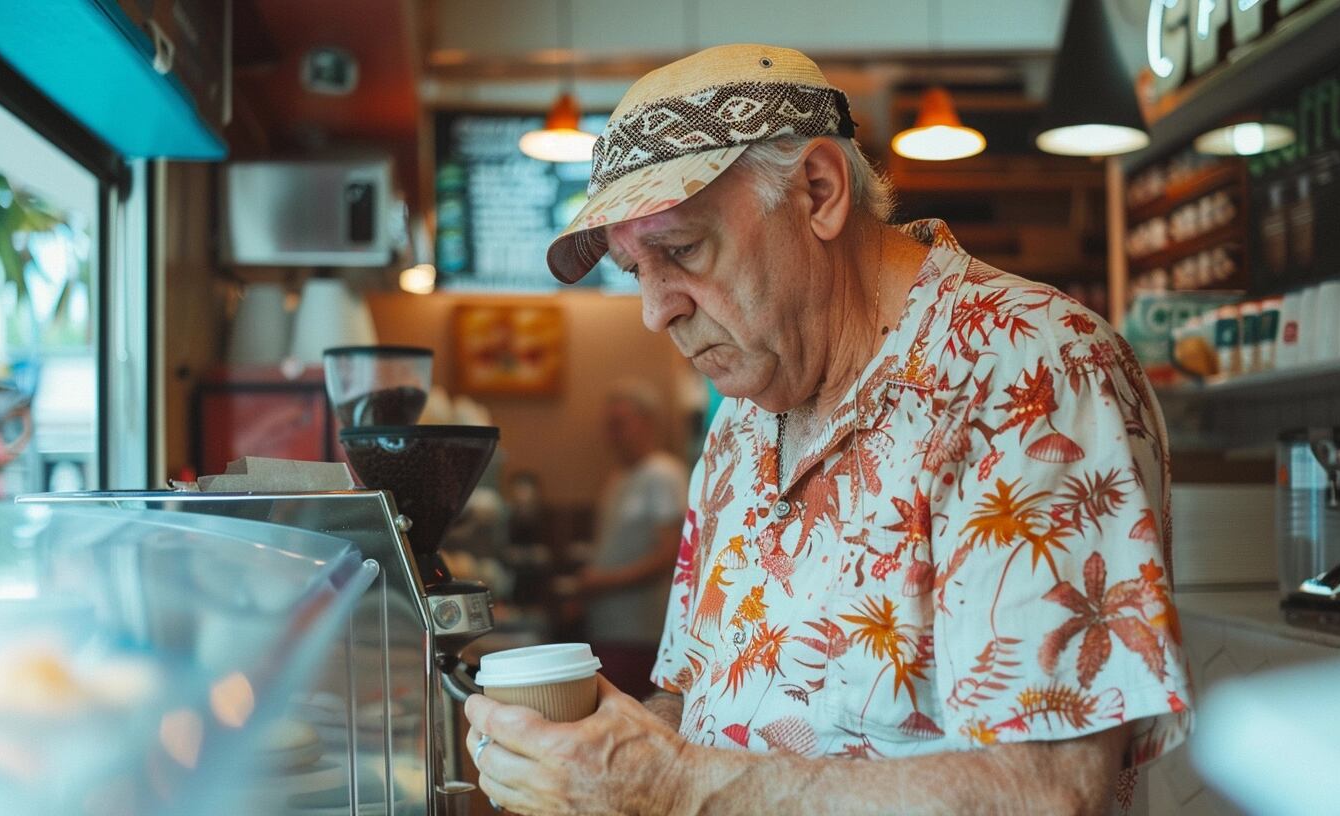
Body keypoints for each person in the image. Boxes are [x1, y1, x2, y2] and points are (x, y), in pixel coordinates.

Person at [466, 44, 1190, 815]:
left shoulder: (1028, 370)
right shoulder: (741, 421)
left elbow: (1049, 794)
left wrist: (673, 789)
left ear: (817, 190)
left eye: (680, 250)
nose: (655, 311)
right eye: (634, 270)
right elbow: (697, 699)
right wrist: (591, 761)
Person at [558, 381, 688, 698]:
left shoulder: (662, 474)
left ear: (647, 423)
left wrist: (602, 581)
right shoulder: (619, 477)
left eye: (620, 424)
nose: (612, 435)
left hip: (641, 630)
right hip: (608, 626)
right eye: (609, 426)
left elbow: (671, 553)